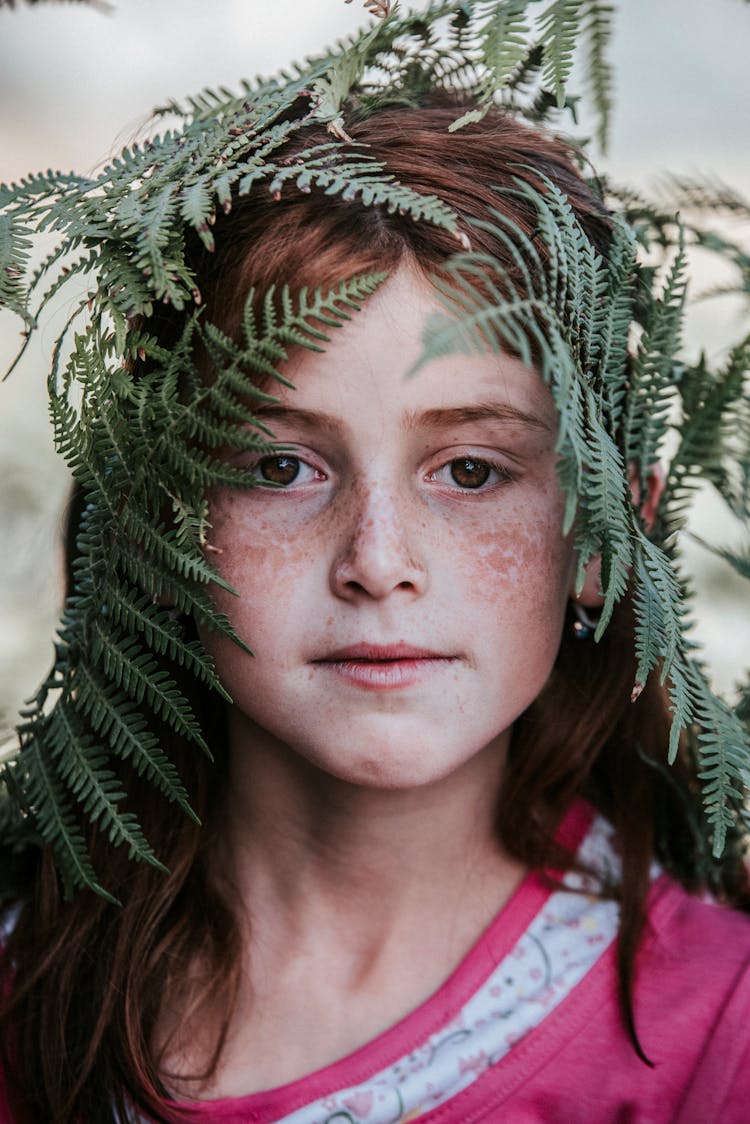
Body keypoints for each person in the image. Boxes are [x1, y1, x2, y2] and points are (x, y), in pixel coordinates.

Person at [1, 13, 750, 1124]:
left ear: (601, 534)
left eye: (471, 470)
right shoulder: (29, 971)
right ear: (161, 521)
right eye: (278, 462)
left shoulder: (719, 1030)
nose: (378, 562)